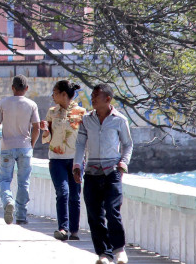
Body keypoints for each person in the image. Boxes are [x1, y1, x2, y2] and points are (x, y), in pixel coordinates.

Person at [73, 84, 133, 264]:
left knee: (112, 211)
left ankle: (119, 250)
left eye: (96, 96)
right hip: (91, 172)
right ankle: (104, 254)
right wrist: (77, 165)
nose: (92, 99)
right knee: (94, 215)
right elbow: (80, 144)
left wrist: (123, 164)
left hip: (112, 172)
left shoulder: (119, 120)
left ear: (108, 99)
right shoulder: (86, 119)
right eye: (92, 95)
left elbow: (128, 144)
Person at [0, 74, 41, 225]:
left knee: (4, 179)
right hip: (25, 147)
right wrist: (31, 144)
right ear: (26, 88)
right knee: (23, 182)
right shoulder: (31, 104)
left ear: (12, 88)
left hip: (7, 147)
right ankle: (21, 215)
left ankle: (8, 200)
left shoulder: (3, 103)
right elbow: (37, 128)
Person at [42, 79, 86, 241]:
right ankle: (63, 228)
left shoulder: (81, 112)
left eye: (54, 92)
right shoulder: (51, 112)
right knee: (62, 192)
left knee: (74, 195)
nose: (52, 96)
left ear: (63, 94)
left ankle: (74, 230)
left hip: (75, 160)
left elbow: (84, 138)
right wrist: (45, 131)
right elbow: (47, 138)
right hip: (56, 159)